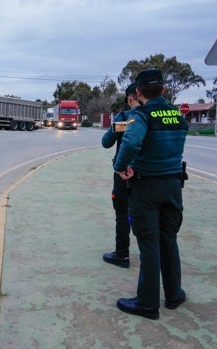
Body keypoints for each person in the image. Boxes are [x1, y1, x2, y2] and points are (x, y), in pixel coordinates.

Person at [113, 69, 188, 320]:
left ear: (138, 92)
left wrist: (120, 167)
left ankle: (147, 303)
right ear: (164, 90)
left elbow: (131, 142)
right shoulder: (177, 115)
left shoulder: (141, 115)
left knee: (149, 244)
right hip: (174, 187)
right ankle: (174, 295)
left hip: (147, 188)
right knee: (169, 240)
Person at [101, 82, 139, 268]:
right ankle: (153, 255)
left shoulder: (125, 118)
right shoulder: (155, 116)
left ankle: (122, 254)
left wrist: (120, 126)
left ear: (130, 98)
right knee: (147, 216)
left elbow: (106, 142)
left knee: (123, 214)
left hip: (123, 173)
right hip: (149, 176)